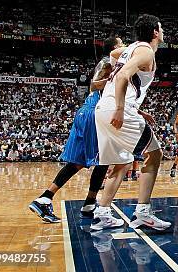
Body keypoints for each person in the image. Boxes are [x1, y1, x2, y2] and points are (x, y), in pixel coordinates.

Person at [29, 36, 125, 223]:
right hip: (93, 113)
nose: (124, 46)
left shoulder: (114, 65)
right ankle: (89, 203)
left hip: (87, 113)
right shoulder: (108, 62)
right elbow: (94, 85)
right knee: (103, 159)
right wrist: (112, 80)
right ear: (114, 47)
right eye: (121, 43)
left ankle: (45, 198)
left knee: (78, 162)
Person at [92, 14, 171, 231]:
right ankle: (143, 212)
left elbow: (113, 53)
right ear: (155, 32)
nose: (162, 31)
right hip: (118, 110)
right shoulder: (145, 50)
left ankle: (103, 213)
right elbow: (122, 76)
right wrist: (120, 109)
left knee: (121, 163)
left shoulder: (131, 48)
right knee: (154, 155)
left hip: (101, 109)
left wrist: (135, 110)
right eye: (160, 28)